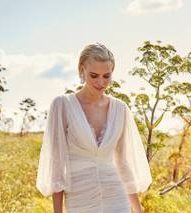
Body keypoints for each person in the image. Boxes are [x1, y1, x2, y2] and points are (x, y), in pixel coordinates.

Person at [36, 43, 152, 213]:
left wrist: (138, 210)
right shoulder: (62, 105)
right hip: (80, 197)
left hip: (116, 196)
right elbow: (57, 164)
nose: (101, 82)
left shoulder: (120, 109)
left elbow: (122, 162)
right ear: (82, 70)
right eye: (94, 75)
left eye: (107, 76)